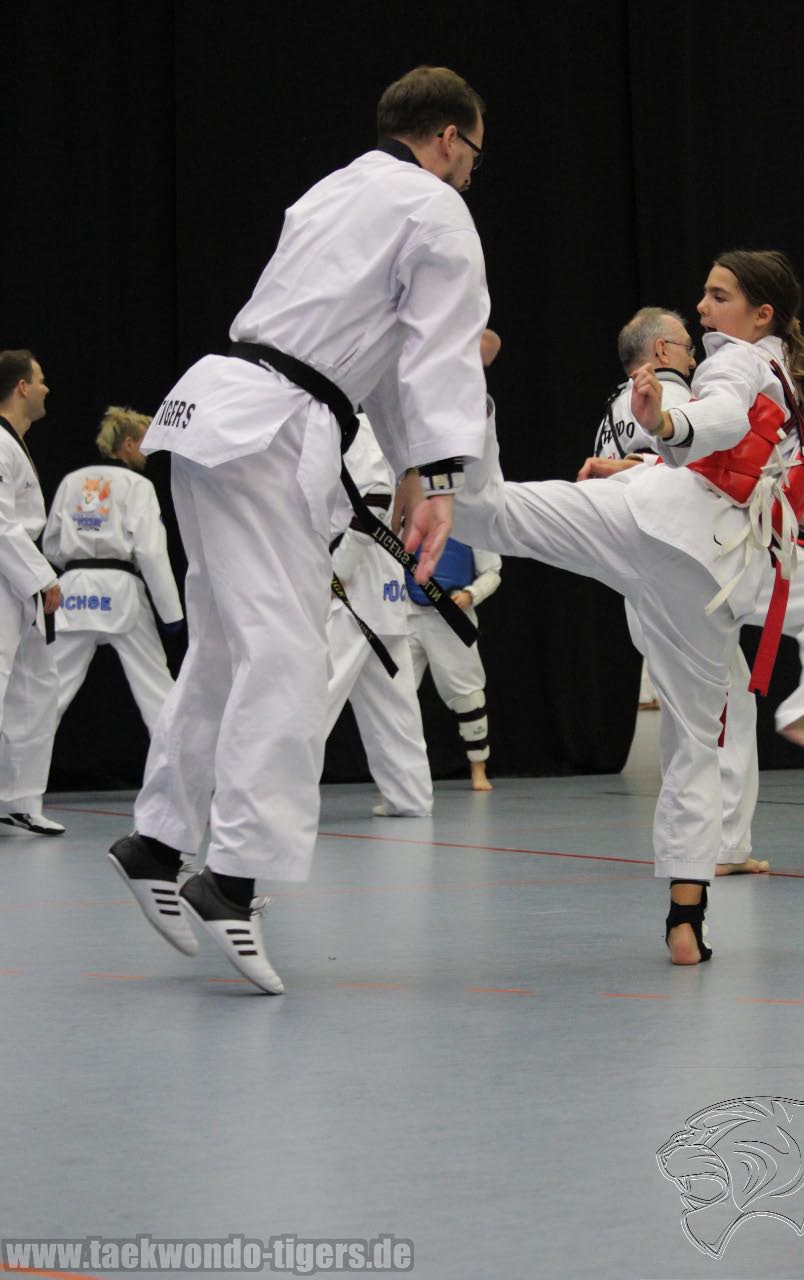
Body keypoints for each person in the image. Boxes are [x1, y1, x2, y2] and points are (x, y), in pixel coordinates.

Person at [108, 65, 491, 993]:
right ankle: (233, 877)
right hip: (273, 429)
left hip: (216, 410)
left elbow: (384, 354)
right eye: (474, 151)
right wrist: (440, 477)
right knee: (284, 652)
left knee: (226, 648)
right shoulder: (434, 208)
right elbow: (438, 350)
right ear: (447, 137)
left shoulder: (335, 188)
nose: (473, 170)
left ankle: (157, 840)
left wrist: (415, 467)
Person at [454, 250, 804, 965]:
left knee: (489, 516)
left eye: (717, 295)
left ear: (761, 314)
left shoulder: (738, 360)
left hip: (652, 521)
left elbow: (717, 418)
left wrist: (665, 423)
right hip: (710, 573)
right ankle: (685, 916)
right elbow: (747, 459)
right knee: (696, 742)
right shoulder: (796, 394)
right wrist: (667, 441)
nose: (702, 308)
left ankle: (463, 399)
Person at [581, 304, 804, 872]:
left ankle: (722, 845)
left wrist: (786, 499)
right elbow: (682, 470)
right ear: (661, 351)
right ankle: (714, 847)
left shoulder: (615, 407)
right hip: (691, 562)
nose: (694, 355)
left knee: (719, 706)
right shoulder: (670, 395)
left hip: (653, 571)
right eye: (686, 345)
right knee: (713, 711)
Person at [43, 406, 184, 733]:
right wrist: (171, 613)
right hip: (122, 592)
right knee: (157, 692)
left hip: (74, 590)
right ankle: (182, 766)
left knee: (48, 693)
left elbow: (51, 544)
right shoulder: (138, 485)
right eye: (145, 444)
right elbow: (151, 551)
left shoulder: (71, 482)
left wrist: (77, 561)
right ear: (129, 444)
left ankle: (13, 765)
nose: (148, 453)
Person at [405, 328, 502, 791]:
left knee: (466, 692)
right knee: (395, 694)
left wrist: (469, 594)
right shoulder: (408, 496)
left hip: (450, 612)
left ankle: (478, 768)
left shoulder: (470, 508)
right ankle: (402, 777)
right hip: (407, 610)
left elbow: (493, 570)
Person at [325, 414, 433, 818]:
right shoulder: (391, 432)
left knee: (312, 693)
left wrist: (339, 568)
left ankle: (272, 796)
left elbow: (375, 498)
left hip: (352, 590)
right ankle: (411, 797)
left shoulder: (357, 427)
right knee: (394, 707)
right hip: (383, 590)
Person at [0, 350, 64, 837]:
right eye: (39, 380)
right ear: (22, 386)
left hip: (17, 578)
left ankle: (18, 799)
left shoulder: (13, 442)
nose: (45, 388)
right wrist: (42, 576)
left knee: (35, 689)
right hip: (10, 572)